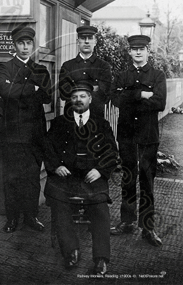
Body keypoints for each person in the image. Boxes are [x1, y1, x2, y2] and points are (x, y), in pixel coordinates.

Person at [43, 81, 118, 275]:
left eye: (82, 96)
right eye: (75, 96)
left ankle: (101, 259)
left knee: (100, 207)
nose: (78, 100)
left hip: (92, 177)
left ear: (90, 99)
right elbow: (48, 148)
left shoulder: (101, 124)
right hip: (66, 176)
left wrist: (100, 170)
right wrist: (56, 166)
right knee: (60, 204)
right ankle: (71, 251)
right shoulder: (60, 123)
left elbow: (112, 152)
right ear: (70, 99)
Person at [110, 35, 166, 246]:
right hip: (126, 136)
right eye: (134, 49)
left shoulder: (158, 75)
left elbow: (160, 102)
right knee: (128, 178)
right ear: (130, 52)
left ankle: (148, 228)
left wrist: (130, 97)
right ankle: (127, 221)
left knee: (147, 181)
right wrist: (141, 94)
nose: (138, 52)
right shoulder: (122, 75)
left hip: (148, 137)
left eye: (142, 48)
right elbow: (115, 99)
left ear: (148, 51)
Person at [0, 25, 53, 233]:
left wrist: (18, 88)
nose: (25, 47)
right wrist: (32, 88)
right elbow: (5, 91)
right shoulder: (5, 68)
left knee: (31, 178)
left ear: (33, 45)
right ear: (14, 44)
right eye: (21, 43)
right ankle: (12, 218)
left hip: (34, 134)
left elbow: (46, 96)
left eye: (29, 43)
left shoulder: (41, 70)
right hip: (11, 134)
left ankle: (31, 216)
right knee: (11, 177)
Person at [59, 25, 112, 117]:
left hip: (95, 118)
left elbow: (105, 94)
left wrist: (74, 88)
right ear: (77, 42)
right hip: (71, 117)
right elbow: (64, 94)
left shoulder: (103, 66)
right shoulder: (67, 66)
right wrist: (93, 88)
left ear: (95, 42)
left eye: (90, 38)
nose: (87, 41)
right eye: (83, 38)